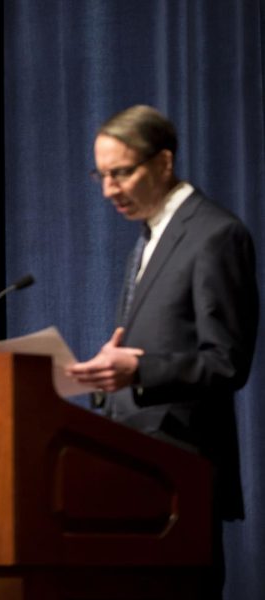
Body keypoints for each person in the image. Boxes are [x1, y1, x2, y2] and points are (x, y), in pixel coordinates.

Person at [66, 105, 259, 595]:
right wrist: (108, 377)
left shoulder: (215, 234)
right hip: (131, 469)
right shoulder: (150, 238)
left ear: (164, 162)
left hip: (180, 474)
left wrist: (140, 369)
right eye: (102, 175)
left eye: (122, 173)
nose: (109, 189)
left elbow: (227, 362)